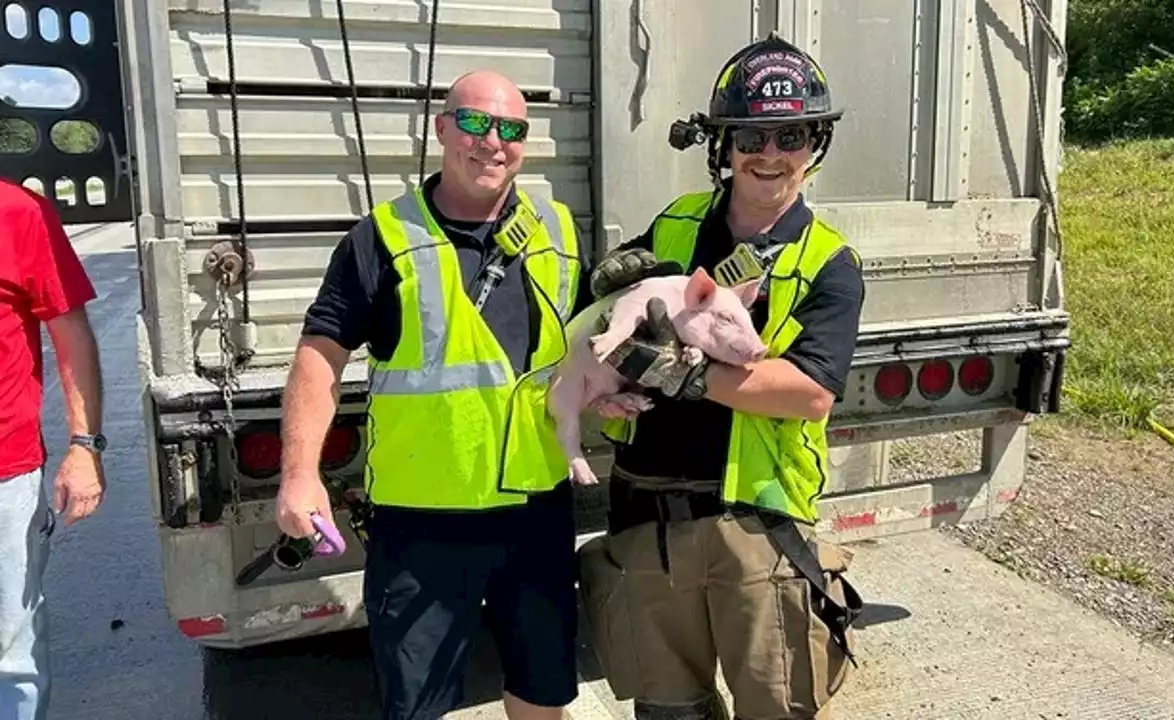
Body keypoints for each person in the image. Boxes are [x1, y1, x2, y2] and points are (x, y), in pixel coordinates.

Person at [274, 69, 593, 720]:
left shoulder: (558, 231)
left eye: (512, 129)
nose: (492, 142)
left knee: (542, 691)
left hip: (536, 511)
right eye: (475, 122)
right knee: (418, 706)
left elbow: (582, 345)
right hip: (423, 525)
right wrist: (300, 474)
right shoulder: (383, 237)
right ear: (442, 128)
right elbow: (319, 355)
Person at [577, 33, 867, 720]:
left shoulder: (828, 263)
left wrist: (683, 375)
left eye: (791, 135)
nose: (770, 155)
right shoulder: (674, 226)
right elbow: (603, 322)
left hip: (753, 530)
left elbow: (809, 393)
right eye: (751, 136)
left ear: (815, 143)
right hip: (645, 514)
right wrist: (599, 312)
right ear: (722, 144)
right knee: (668, 713)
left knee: (773, 710)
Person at [0, 178, 108, 720]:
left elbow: (71, 333)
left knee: (8, 653)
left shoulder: (19, 212)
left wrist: (84, 445)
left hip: (4, 473)